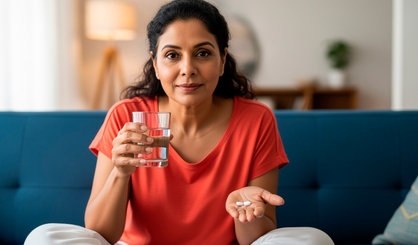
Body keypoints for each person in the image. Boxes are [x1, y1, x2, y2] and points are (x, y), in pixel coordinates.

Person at [25, 0, 334, 244]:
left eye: (202, 53)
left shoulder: (256, 119)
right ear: (156, 64)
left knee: (313, 240)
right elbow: (101, 234)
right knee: (44, 238)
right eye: (172, 55)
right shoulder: (126, 116)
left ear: (223, 60)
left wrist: (245, 212)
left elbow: (257, 240)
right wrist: (120, 173)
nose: (188, 69)